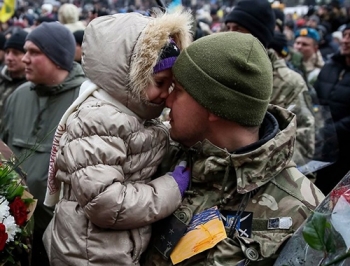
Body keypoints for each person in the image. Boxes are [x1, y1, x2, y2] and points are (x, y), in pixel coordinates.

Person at [143, 32, 325, 265]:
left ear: (213, 105)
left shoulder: (302, 211)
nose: (168, 101)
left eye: (178, 90)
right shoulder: (160, 155)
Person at [42, 10, 193, 265]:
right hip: (89, 254)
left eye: (171, 85)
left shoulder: (128, 113)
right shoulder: (99, 120)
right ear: (128, 75)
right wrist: (171, 188)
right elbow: (105, 202)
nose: (166, 94)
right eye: (159, 81)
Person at [0, 22, 86, 266]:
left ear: (57, 58)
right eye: (25, 51)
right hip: (15, 227)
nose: (24, 59)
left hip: (59, 235)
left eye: (34, 52)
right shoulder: (20, 95)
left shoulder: (83, 100)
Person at [224, 0, 315, 174]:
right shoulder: (221, 72)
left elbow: (303, 146)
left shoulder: (289, 83)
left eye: (237, 29)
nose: (229, 35)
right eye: (228, 28)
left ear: (258, 36)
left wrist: (253, 165)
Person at [314, 24, 350, 195]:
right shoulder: (330, 67)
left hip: (345, 152)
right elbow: (315, 97)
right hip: (322, 148)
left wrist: (331, 130)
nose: (345, 41)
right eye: (344, 35)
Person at [0, 30, 28, 126]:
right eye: (7, 52)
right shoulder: (2, 79)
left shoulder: (32, 87)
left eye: (16, 53)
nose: (9, 58)